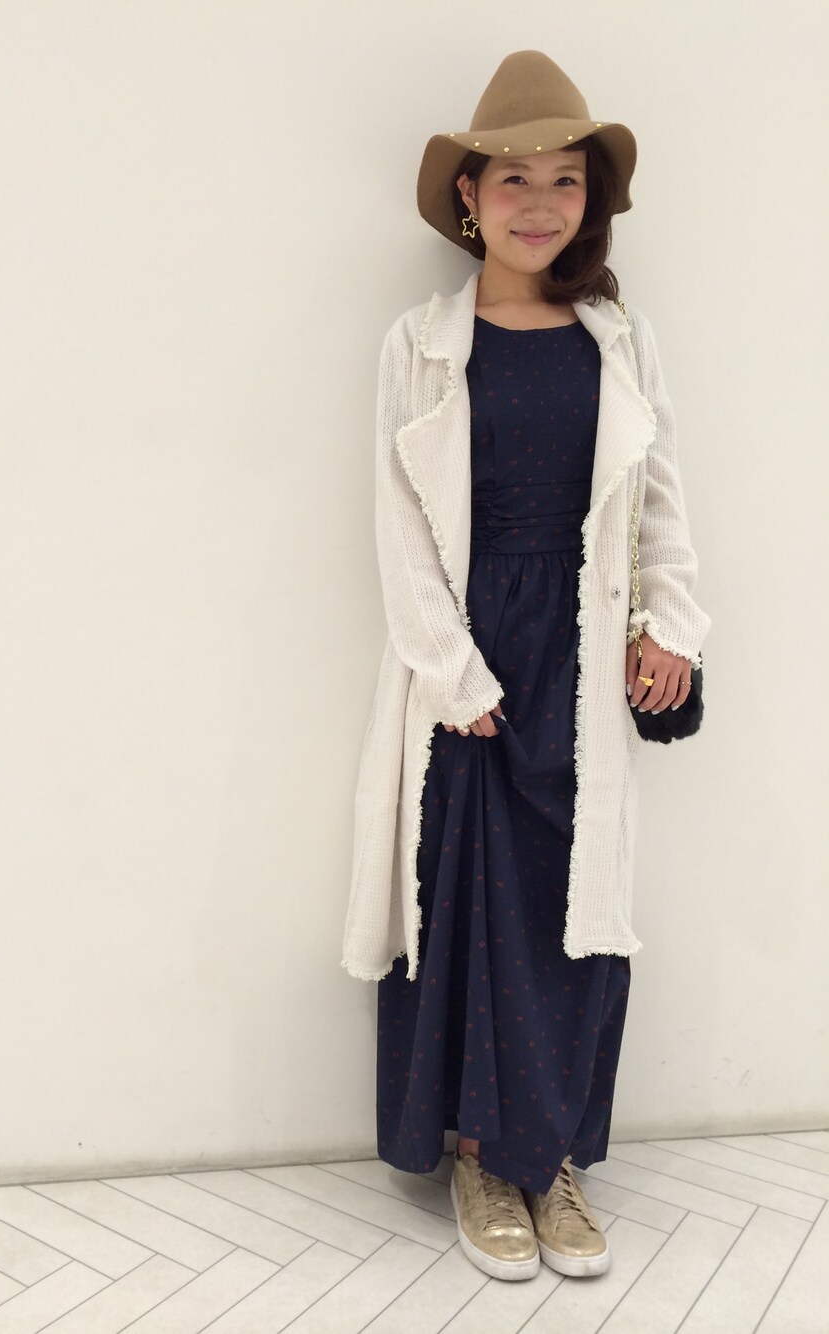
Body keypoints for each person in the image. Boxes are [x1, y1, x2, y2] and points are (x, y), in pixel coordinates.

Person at [340, 50, 710, 1283]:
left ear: (588, 201)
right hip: (469, 656)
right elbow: (398, 524)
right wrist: (453, 671)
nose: (539, 203)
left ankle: (548, 1156)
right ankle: (477, 1157)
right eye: (513, 179)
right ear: (468, 198)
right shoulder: (418, 344)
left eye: (564, 181)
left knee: (571, 910)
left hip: (584, 648)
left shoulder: (619, 338)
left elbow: (660, 500)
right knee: (466, 902)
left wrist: (671, 624)